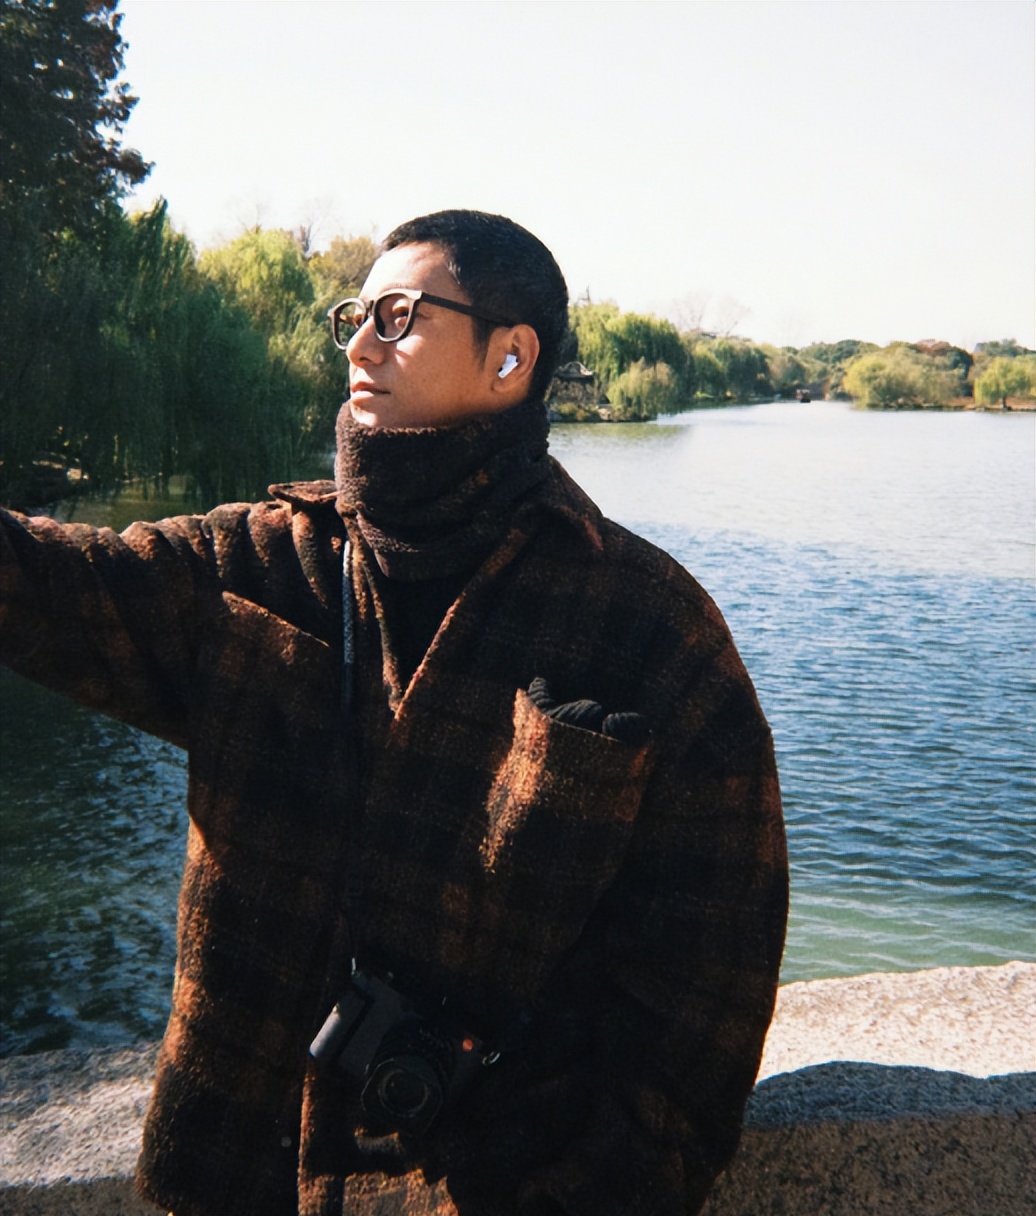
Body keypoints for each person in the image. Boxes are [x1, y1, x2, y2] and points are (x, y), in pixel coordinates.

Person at [0, 209, 787, 1216]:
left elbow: (705, 996)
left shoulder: (648, 628)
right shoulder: (260, 565)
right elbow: (34, 583)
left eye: (400, 316)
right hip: (229, 1179)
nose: (359, 345)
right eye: (355, 316)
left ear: (510, 358)